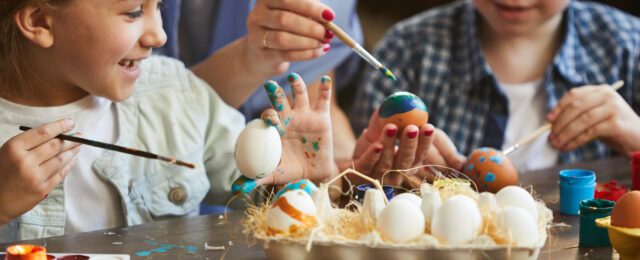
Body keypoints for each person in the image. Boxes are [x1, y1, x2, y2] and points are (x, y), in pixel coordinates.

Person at [0, 0, 341, 242]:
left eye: (159, 7)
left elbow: (262, 199)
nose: (159, 35)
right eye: (133, 12)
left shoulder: (174, 94)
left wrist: (293, 179)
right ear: (40, 21)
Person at [352, 0, 640, 176]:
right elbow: (351, 178)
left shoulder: (629, 45)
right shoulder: (410, 49)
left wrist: (635, 138)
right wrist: (385, 167)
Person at [156, 0, 362, 164]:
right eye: (135, 12)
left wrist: (350, 169)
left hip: (253, 176)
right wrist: (249, 60)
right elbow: (145, 114)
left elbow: (312, 103)